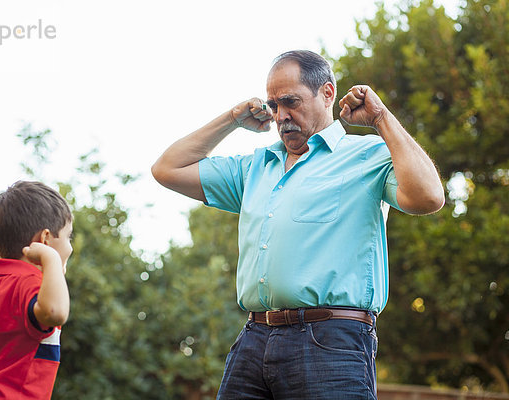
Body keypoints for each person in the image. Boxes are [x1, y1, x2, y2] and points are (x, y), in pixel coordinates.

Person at [151, 50, 444, 399]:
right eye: (274, 105)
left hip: (331, 342)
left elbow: (429, 197)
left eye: (291, 101)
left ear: (327, 94)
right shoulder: (254, 167)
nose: (282, 116)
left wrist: (381, 118)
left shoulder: (367, 155)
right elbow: (167, 169)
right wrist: (232, 119)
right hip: (254, 338)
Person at [0, 181, 73, 400]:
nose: (70, 246)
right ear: (45, 240)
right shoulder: (30, 285)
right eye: (68, 237)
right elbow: (56, 312)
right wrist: (51, 259)